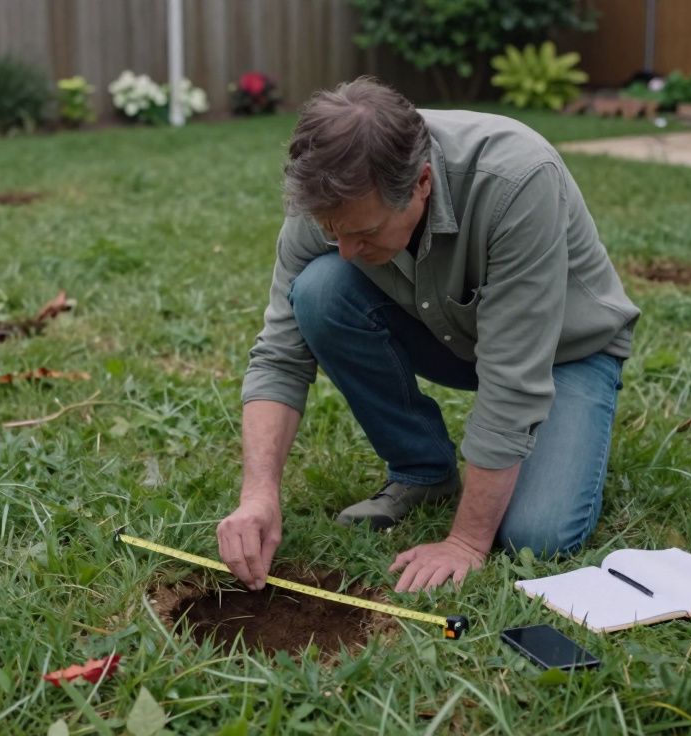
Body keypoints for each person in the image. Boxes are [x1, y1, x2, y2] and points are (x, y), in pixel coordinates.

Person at [216, 77, 640, 593]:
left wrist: (465, 542)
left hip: (565, 352)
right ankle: (424, 473)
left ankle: (567, 433)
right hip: (452, 335)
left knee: (538, 536)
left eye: (365, 233)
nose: (346, 249)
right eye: (333, 232)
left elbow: (513, 379)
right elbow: (281, 355)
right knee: (321, 290)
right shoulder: (327, 191)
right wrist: (259, 493)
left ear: (421, 183)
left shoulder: (518, 180)